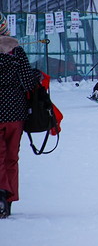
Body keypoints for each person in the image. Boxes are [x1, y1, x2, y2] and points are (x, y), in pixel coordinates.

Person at [0, 13, 38, 218]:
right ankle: (9, 199)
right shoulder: (17, 52)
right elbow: (28, 82)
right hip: (15, 113)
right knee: (12, 158)